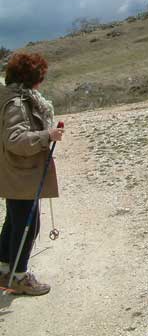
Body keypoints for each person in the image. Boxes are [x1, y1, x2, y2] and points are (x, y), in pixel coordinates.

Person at [0, 53, 64, 296]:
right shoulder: (16, 103)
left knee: (14, 222)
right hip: (21, 173)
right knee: (28, 224)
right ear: (31, 79)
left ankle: (5, 270)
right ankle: (19, 277)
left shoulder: (11, 97)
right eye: (40, 77)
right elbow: (15, 140)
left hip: (14, 171)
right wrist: (46, 136)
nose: (42, 81)